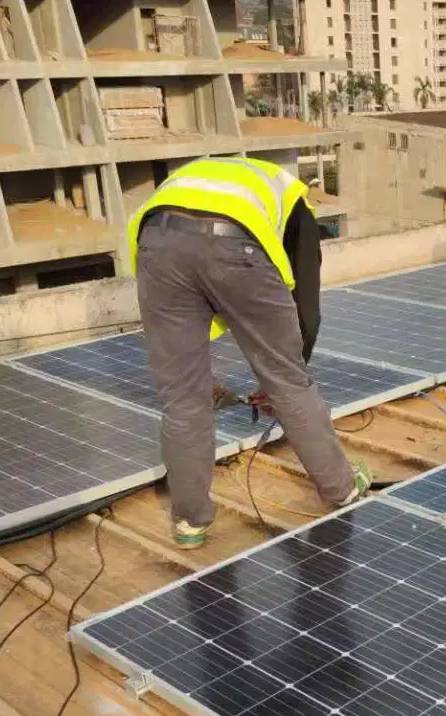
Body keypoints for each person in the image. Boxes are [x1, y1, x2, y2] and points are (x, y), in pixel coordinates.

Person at [128, 155, 370, 549]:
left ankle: (190, 521)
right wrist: (281, 379)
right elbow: (305, 302)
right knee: (290, 383)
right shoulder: (295, 201)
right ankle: (342, 488)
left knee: (182, 398)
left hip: (156, 245)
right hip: (232, 244)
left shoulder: (205, 177)